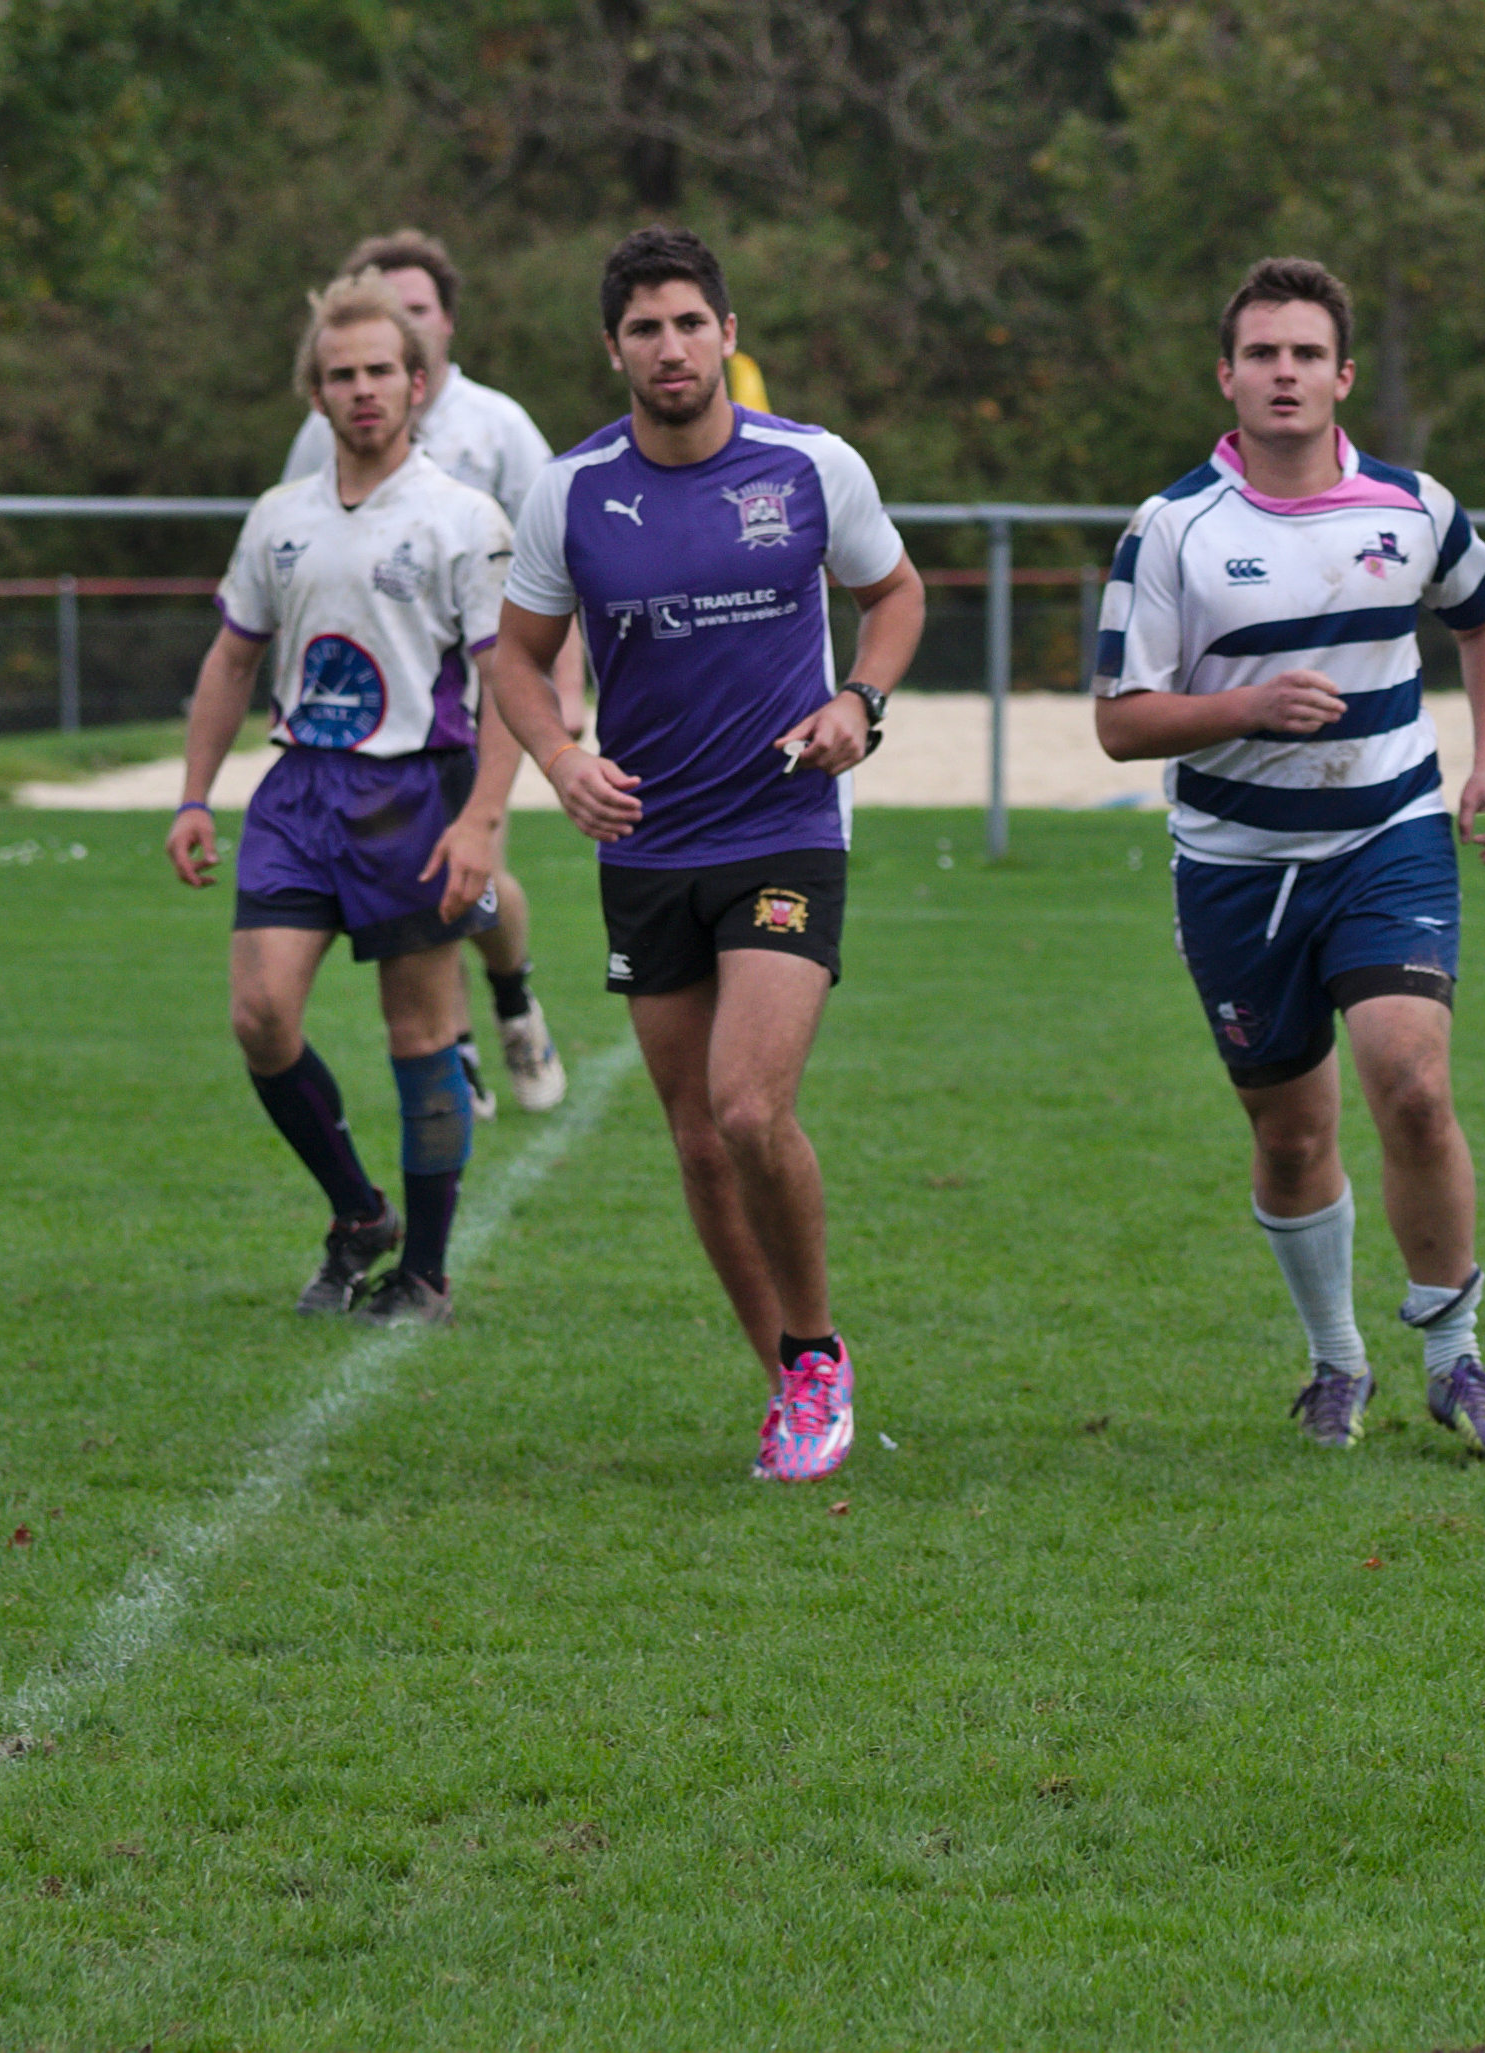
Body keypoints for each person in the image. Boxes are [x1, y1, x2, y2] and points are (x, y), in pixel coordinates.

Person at [484, 226, 925, 1483]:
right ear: (612, 347)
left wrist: (862, 702)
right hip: (646, 843)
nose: (669, 348)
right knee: (694, 1138)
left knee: (747, 1104)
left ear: (729, 335)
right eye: (643, 328)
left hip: (784, 823)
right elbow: (515, 656)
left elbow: (896, 595)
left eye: (689, 323)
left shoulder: (811, 466)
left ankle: (817, 1353)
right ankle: (790, 1378)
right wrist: (563, 760)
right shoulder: (570, 492)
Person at [1093, 256, 1485, 1457]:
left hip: (1386, 838)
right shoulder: (1173, 529)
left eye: (1304, 354)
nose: (1282, 373)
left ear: (1341, 375)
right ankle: (1336, 1359)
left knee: (1413, 1082)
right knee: (1290, 1133)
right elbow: (1122, 719)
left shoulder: (1410, 506)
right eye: (1260, 354)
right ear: (1226, 377)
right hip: (1234, 867)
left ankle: (1455, 1356)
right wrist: (1242, 709)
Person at [166, 272, 518, 1326]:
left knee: (420, 1035)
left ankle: (428, 1273)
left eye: (379, 371)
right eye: (339, 375)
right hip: (298, 791)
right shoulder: (280, 517)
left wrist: (482, 820)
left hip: (415, 793)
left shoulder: (464, 518)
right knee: (261, 1015)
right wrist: (193, 797)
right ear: (315, 395)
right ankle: (359, 1213)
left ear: (417, 383)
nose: (361, 390)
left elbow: (511, 683)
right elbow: (233, 662)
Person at [283, 229, 581, 1121]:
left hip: (477, 695)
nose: (394, 331)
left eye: (414, 311)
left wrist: (564, 693)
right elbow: (301, 545)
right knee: (425, 886)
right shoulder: (324, 426)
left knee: (478, 883)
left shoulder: (498, 427)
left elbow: (556, 566)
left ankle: (514, 994)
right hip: (377, 718)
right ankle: (453, 1054)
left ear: (443, 324)